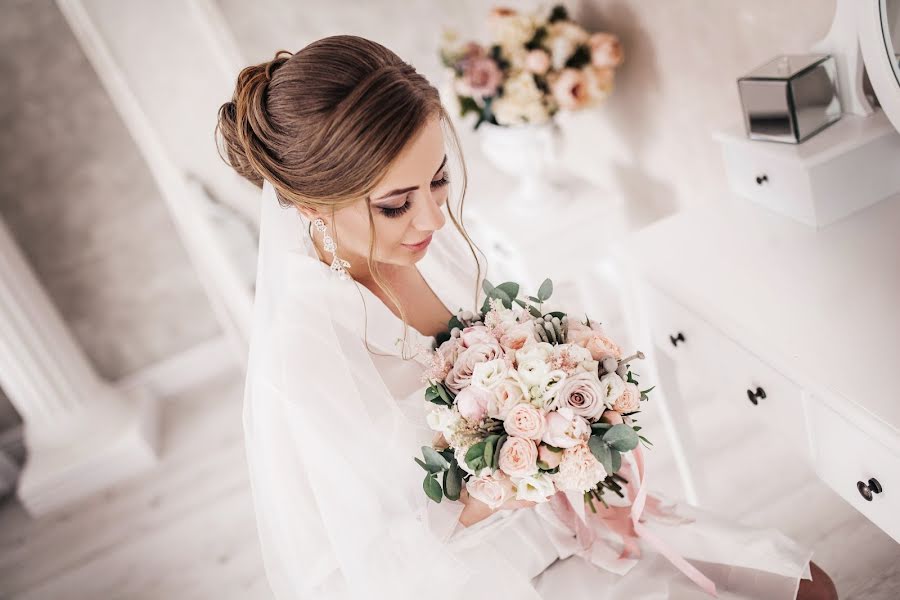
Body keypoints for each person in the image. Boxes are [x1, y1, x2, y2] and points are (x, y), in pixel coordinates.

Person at [215, 35, 839, 600]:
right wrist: (515, 469)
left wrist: (579, 428)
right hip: (479, 573)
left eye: (437, 181)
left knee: (807, 585)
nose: (432, 219)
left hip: (566, 510)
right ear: (308, 204)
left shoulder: (435, 250)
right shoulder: (303, 353)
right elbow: (374, 563)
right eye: (396, 204)